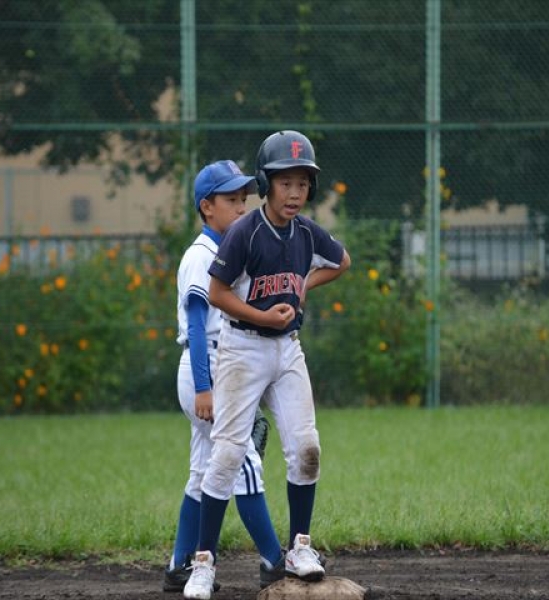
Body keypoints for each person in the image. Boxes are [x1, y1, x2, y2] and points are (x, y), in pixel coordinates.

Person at [183, 131, 351, 600]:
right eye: (285, 182)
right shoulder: (246, 232)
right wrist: (263, 316)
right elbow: (217, 294)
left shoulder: (306, 232)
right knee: (227, 455)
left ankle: (300, 547)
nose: (295, 193)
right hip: (243, 349)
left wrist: (303, 285)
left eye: (303, 183)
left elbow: (342, 261)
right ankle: (203, 563)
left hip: (287, 349)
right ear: (266, 184)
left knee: (307, 448)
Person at [164, 160, 283, 594]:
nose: (241, 207)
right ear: (206, 207)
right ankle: (275, 560)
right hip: (207, 367)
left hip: (222, 365)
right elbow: (197, 328)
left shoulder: (229, 251)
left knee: (204, 473)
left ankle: (179, 565)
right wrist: (204, 388)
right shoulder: (201, 256)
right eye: (231, 199)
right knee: (243, 461)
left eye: (243, 199)